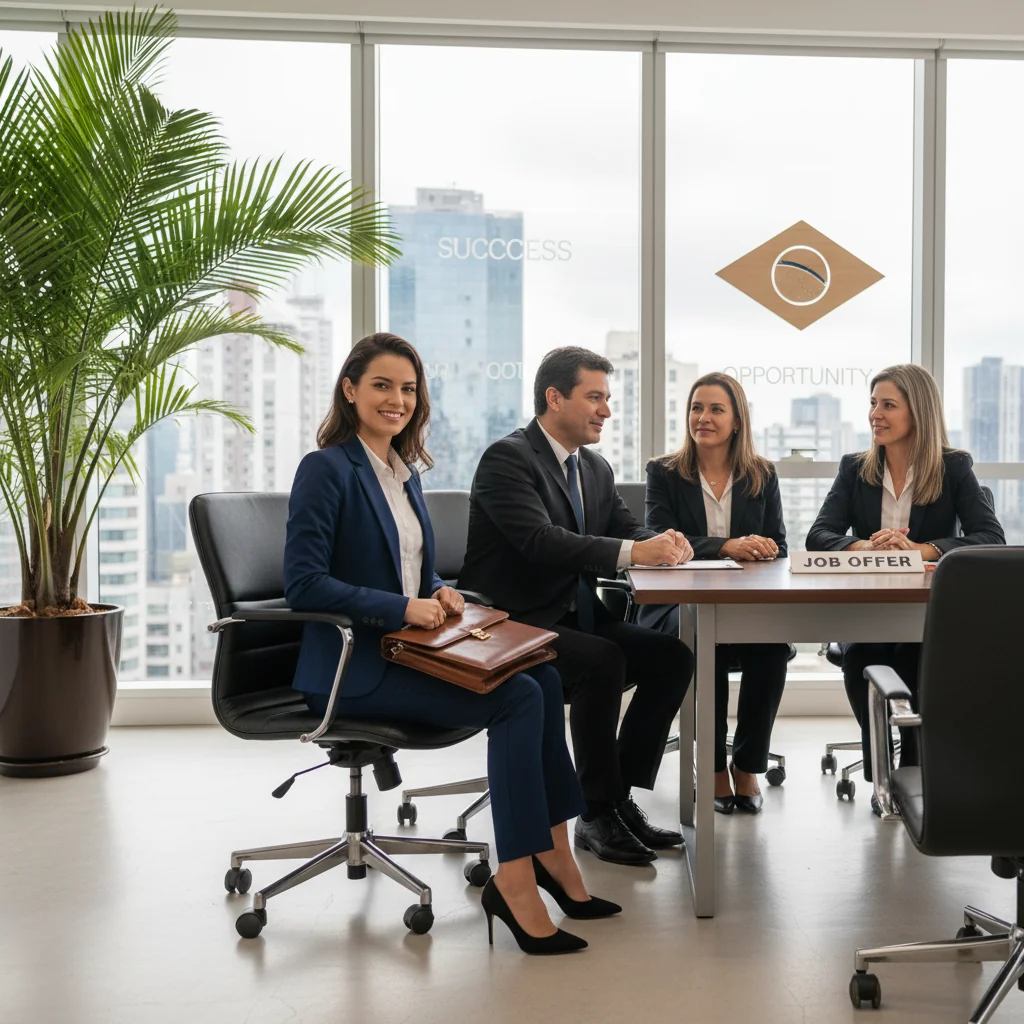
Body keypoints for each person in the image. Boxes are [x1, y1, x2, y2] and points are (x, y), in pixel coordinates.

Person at [284, 333, 620, 956]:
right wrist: (400, 606)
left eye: (408, 389)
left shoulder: (403, 471)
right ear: (350, 389)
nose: (397, 399)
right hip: (352, 667)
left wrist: (440, 592)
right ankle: (516, 880)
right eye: (382, 385)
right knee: (518, 699)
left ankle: (555, 854)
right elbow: (304, 583)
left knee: (541, 676)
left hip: (408, 647)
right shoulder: (327, 469)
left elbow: (416, 568)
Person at [459, 346, 696, 867]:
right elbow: (542, 541)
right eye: (594, 397)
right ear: (554, 397)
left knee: (671, 656)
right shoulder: (508, 458)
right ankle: (594, 812)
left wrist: (665, 541)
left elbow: (624, 528)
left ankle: (618, 796)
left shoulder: (594, 467)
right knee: (601, 660)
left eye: (607, 399)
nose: (606, 411)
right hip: (508, 623)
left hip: (571, 616)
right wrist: (636, 552)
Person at [806, 363, 1005, 799]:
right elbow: (818, 535)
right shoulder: (855, 468)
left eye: (888, 405)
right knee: (862, 664)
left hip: (927, 614)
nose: (876, 414)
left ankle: (913, 771)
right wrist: (866, 547)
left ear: (919, 412)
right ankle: (881, 773)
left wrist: (921, 550)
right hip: (867, 610)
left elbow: (990, 536)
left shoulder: (954, 468)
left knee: (915, 661)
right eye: (873, 404)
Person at [639, 372, 790, 815]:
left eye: (715, 409)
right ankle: (712, 769)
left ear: (737, 420)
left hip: (743, 601)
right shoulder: (664, 472)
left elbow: (778, 542)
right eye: (696, 408)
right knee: (707, 646)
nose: (702, 418)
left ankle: (748, 765)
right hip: (678, 604)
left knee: (773, 649)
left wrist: (763, 547)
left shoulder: (762, 473)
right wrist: (726, 546)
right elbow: (657, 536)